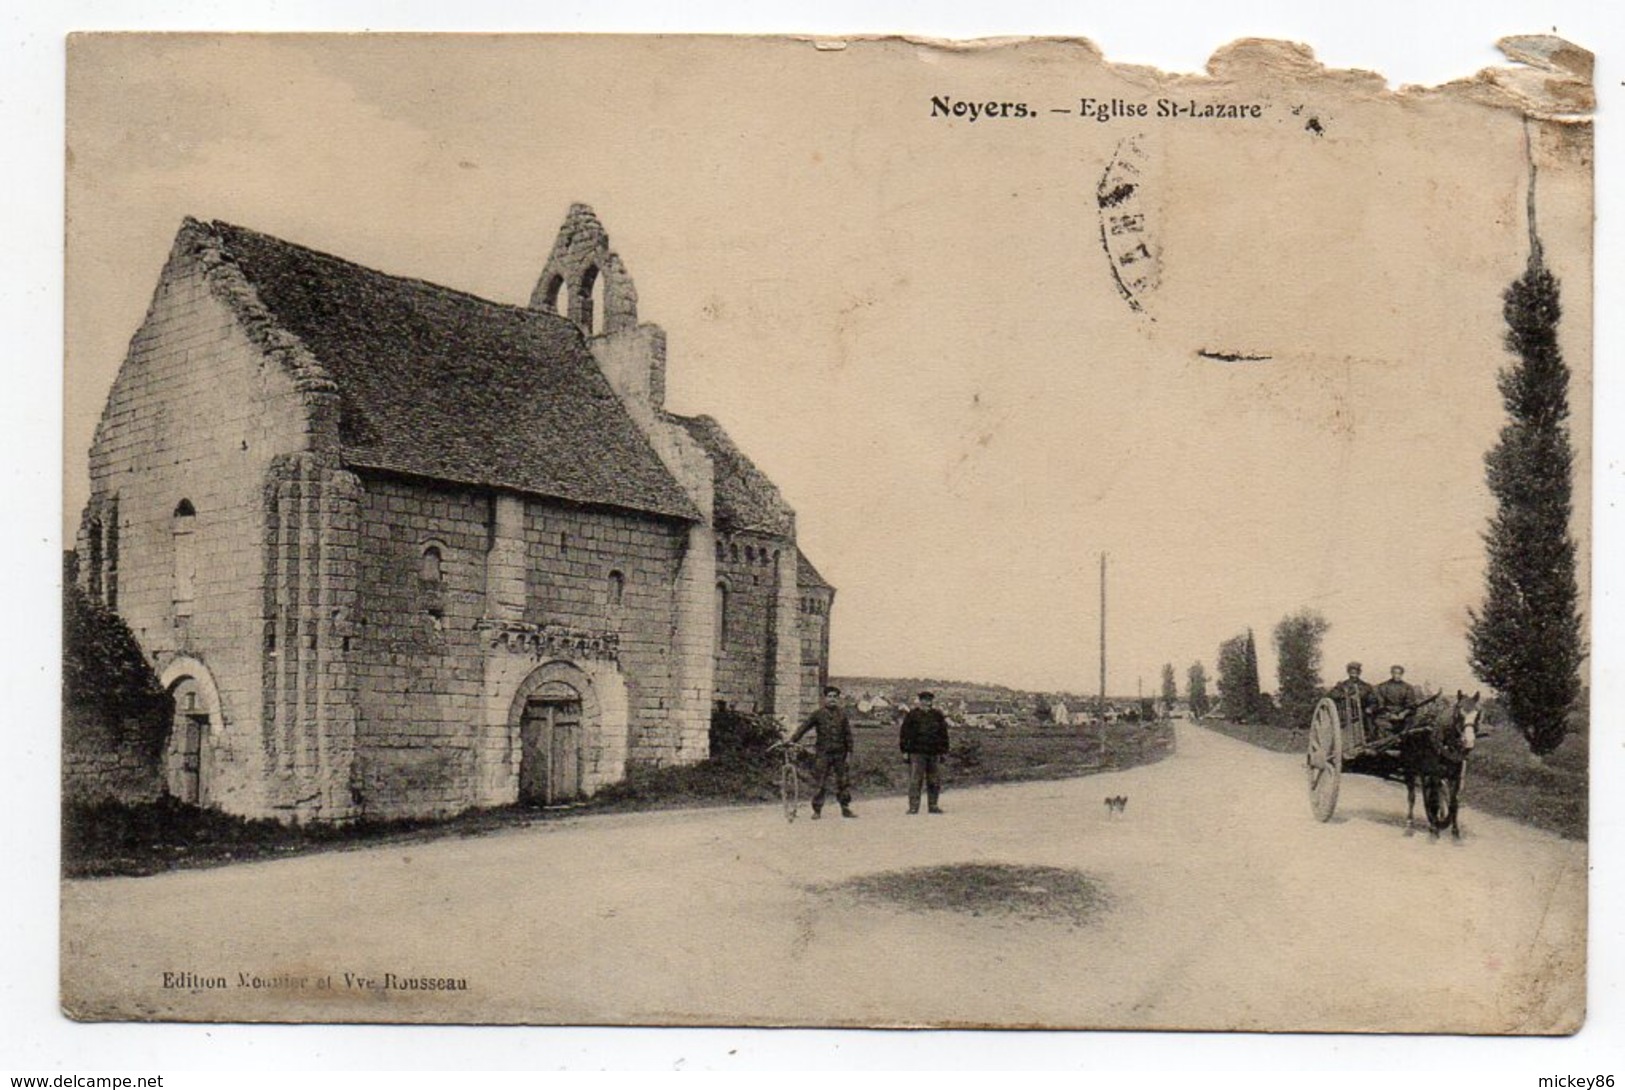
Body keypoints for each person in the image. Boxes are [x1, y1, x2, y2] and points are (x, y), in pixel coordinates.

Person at [790, 685, 856, 819]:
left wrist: (849, 753)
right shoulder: (818, 714)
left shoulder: (842, 715)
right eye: (829, 696)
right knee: (820, 782)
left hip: (840, 754)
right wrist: (792, 740)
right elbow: (804, 727)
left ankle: (845, 808)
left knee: (843, 781)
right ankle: (817, 810)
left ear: (838, 699)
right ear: (824, 698)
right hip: (823, 754)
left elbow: (848, 735)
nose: (832, 699)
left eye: (835, 697)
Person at [899, 691, 951, 815]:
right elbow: (904, 734)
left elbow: (943, 734)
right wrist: (905, 751)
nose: (927, 702)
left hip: (934, 752)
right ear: (920, 701)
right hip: (916, 753)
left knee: (934, 780)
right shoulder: (912, 715)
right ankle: (913, 807)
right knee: (915, 780)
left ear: (932, 701)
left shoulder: (937, 715)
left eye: (929, 700)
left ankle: (933, 805)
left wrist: (943, 751)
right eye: (924, 700)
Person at [1327, 661, 1379, 734]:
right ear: (1348, 672)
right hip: (1345, 713)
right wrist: (1346, 696)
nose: (1354, 673)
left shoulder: (1366, 686)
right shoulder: (1342, 685)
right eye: (1351, 671)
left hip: (1362, 712)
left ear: (1359, 672)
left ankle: (1370, 737)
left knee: (1371, 721)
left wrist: (1370, 707)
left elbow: (1373, 700)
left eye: (1356, 671)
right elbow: (1332, 695)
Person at [1373, 664, 1421, 738]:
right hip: (1386, 715)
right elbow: (1380, 704)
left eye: (1399, 673)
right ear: (1391, 673)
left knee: (1413, 725)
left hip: (1403, 715)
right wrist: (1389, 715)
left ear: (1402, 674)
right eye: (1395, 673)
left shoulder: (1407, 687)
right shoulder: (1383, 687)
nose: (1397, 675)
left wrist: (1404, 713)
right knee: (1380, 723)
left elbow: (1410, 704)